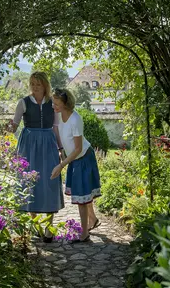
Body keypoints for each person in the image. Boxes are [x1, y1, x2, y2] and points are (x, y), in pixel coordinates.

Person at [8, 72, 64, 242]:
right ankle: (35, 225)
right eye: (32, 83)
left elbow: (56, 127)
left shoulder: (52, 103)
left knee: (50, 182)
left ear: (45, 85)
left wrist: (60, 148)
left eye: (38, 84)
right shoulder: (23, 103)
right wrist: (8, 127)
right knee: (29, 182)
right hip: (29, 145)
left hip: (48, 144)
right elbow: (14, 125)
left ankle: (48, 228)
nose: (35, 87)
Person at [50, 88, 101, 243]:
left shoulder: (75, 119)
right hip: (74, 158)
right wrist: (61, 151)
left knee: (81, 196)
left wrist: (61, 165)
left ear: (66, 104)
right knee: (83, 193)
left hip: (84, 157)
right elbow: (58, 133)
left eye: (57, 104)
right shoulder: (59, 116)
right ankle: (93, 219)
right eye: (53, 103)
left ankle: (84, 233)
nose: (54, 107)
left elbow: (78, 148)